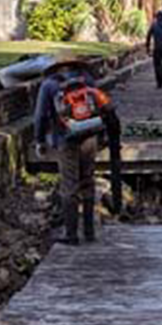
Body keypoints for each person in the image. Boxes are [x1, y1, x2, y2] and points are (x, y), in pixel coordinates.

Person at [33, 58, 117, 244]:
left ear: (55, 68)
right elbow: (99, 107)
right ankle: (89, 232)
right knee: (87, 181)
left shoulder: (49, 85)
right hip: (89, 137)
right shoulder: (86, 79)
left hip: (65, 139)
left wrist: (39, 140)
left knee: (69, 186)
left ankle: (71, 234)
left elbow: (40, 116)